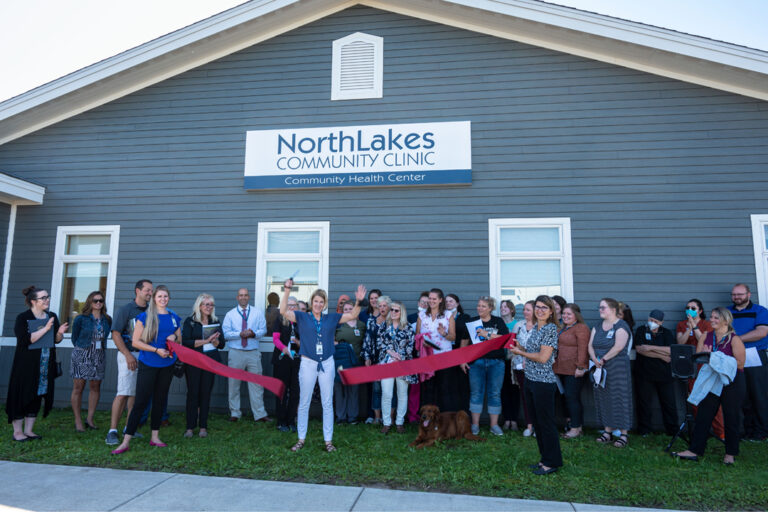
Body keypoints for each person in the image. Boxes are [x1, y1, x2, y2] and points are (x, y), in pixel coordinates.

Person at [279, 278, 366, 452]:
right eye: (316, 301)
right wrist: (287, 289)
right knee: (304, 402)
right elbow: (283, 311)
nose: (318, 304)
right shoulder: (302, 317)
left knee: (327, 403)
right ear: (312, 302)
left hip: (327, 362)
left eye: (321, 302)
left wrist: (358, 301)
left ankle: (328, 441)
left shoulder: (331, 318)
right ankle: (301, 439)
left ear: (325, 304)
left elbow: (353, 315)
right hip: (308, 362)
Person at [111, 285, 181, 454]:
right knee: (140, 402)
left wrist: (174, 337)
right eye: (160, 296)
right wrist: (156, 350)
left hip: (167, 365)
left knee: (159, 400)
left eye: (165, 296)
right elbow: (136, 342)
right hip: (149, 363)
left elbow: (180, 341)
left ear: (169, 298)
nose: (163, 299)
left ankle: (155, 437)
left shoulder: (174, 318)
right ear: (154, 299)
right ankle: (126, 440)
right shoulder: (145, 317)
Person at [672, 307, 746, 464]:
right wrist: (709, 357)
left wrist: (716, 357)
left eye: (715, 318)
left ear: (725, 321)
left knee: (731, 416)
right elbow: (699, 357)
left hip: (731, 381)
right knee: (704, 415)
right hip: (713, 380)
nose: (711, 320)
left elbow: (740, 363)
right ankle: (694, 450)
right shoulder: (706, 335)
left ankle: (730, 453)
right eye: (711, 317)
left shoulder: (734, 339)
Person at [508, 296, 562, 475]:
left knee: (546, 423)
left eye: (544, 307)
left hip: (543, 383)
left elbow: (542, 357)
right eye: (537, 307)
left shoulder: (550, 329)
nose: (540, 310)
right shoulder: (537, 328)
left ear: (551, 311)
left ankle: (552, 462)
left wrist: (520, 353)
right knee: (538, 423)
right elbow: (532, 351)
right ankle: (544, 459)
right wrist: (520, 348)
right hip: (530, 380)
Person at [7, 286, 68, 441]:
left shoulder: (51, 316)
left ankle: (29, 430)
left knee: (37, 395)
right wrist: (47, 328)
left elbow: (56, 340)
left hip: (45, 364)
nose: (47, 300)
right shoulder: (23, 317)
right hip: (26, 365)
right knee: (22, 395)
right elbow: (25, 340)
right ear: (33, 301)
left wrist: (59, 332)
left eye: (47, 297)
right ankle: (17, 432)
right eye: (43, 298)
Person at [106, 279, 153, 445]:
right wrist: (127, 355)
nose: (150, 293)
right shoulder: (126, 310)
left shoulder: (151, 310)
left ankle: (129, 428)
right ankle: (112, 431)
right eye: (147, 290)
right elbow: (116, 334)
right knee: (124, 392)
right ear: (137, 291)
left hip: (147, 356)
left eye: (151, 291)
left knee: (135, 394)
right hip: (129, 355)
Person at [459, 296, 508, 436]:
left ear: (491, 308)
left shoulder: (498, 321)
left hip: (496, 362)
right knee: (476, 393)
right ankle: (475, 425)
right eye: (478, 305)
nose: (479, 308)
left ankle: (494, 425)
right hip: (476, 362)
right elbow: (464, 341)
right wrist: (462, 360)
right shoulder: (472, 322)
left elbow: (505, 339)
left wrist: (488, 334)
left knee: (494, 393)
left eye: (483, 306)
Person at [589, 298, 633, 448]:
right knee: (604, 397)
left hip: (617, 368)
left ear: (613, 310)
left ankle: (623, 434)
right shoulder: (598, 326)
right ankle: (607, 431)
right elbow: (590, 345)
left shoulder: (621, 326)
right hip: (600, 368)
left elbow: (619, 347)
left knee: (620, 398)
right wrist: (595, 358)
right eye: (599, 307)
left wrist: (604, 359)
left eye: (603, 308)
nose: (600, 310)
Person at [675, 299, 721, 438]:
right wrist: (688, 327)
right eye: (688, 307)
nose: (690, 309)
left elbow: (704, 340)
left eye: (693, 308)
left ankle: (720, 432)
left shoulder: (707, 324)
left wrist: (695, 326)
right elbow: (680, 342)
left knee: (711, 398)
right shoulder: (681, 324)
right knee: (695, 398)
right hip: (689, 365)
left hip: (705, 363)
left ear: (700, 311)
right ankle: (703, 430)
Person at [222, 288, 269, 423]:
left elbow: (263, 330)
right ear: (237, 298)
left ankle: (259, 414)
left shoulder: (257, 313)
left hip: (253, 353)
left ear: (249, 297)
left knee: (256, 384)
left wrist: (253, 334)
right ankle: (235, 413)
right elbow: (225, 334)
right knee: (233, 384)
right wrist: (239, 334)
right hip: (235, 352)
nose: (243, 297)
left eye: (245, 295)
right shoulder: (230, 314)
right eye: (241, 295)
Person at [728, 283, 768, 440]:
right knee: (742, 395)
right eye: (734, 295)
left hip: (754, 355)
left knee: (758, 394)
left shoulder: (760, 311)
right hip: (733, 356)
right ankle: (748, 430)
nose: (737, 297)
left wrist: (736, 340)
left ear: (748, 294)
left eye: (740, 294)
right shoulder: (727, 312)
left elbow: (762, 332)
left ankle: (762, 431)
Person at [181, 294, 224, 438]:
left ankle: (203, 426)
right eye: (206, 304)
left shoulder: (216, 321)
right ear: (199, 306)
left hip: (210, 362)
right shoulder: (190, 321)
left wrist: (216, 342)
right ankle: (190, 427)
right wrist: (206, 341)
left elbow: (222, 344)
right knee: (193, 393)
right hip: (194, 362)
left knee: (206, 393)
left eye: (211, 304)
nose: (209, 307)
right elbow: (186, 342)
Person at [371, 301, 416, 434]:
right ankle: (386, 423)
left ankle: (400, 422)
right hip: (386, 363)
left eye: (397, 310)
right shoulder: (384, 326)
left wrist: (399, 357)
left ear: (402, 312)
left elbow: (410, 346)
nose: (394, 312)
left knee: (402, 394)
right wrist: (390, 352)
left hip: (403, 364)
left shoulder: (407, 327)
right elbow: (379, 343)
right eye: (392, 310)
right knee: (387, 394)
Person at [633, 309, 678, 436]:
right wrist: (661, 355)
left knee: (669, 403)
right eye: (650, 320)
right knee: (644, 403)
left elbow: (670, 350)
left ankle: (673, 430)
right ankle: (644, 430)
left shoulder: (667, 333)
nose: (652, 323)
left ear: (661, 322)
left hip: (664, 375)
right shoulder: (642, 330)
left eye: (655, 321)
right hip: (644, 373)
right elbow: (640, 349)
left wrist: (651, 347)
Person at [70, 291, 110, 432]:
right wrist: (84, 349)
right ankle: (78, 420)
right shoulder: (81, 318)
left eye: (101, 300)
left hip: (99, 355)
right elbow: (74, 338)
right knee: (78, 387)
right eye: (95, 300)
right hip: (82, 354)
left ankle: (90, 419)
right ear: (89, 302)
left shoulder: (107, 319)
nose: (98, 303)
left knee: (95, 387)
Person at [552, 303, 590, 438]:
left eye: (569, 314)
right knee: (566, 398)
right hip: (560, 369)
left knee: (572, 398)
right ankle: (577, 426)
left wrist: (581, 367)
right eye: (564, 313)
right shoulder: (562, 328)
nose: (565, 316)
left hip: (574, 370)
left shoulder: (581, 328)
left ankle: (575, 428)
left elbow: (583, 348)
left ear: (576, 316)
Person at [417, 288, 456, 410]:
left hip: (444, 357)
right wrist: (423, 342)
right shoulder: (422, 315)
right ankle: (428, 421)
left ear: (440, 300)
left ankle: (444, 420)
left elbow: (453, 337)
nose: (431, 301)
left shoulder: (448, 315)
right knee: (428, 389)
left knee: (444, 388)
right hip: (427, 357)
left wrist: (444, 333)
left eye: (434, 299)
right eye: (430, 298)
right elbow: (417, 336)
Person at [272, 295, 302, 432]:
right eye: (288, 305)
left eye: (293, 305)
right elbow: (275, 339)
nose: (291, 307)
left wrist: (298, 343)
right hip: (282, 359)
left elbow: (306, 341)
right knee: (282, 391)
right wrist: (284, 349)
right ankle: (281, 421)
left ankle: (291, 421)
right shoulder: (279, 319)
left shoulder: (300, 321)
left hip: (297, 360)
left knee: (295, 391)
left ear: (297, 307)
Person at [334, 300, 365, 425]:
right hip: (340, 360)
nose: (347, 311)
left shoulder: (361, 325)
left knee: (353, 390)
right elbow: (330, 339)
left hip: (356, 361)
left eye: (350, 309)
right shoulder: (338, 324)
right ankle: (341, 417)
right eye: (345, 309)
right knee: (340, 389)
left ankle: (352, 416)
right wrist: (341, 345)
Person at [362, 295, 391, 424]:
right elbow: (367, 340)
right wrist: (367, 357)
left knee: (390, 390)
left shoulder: (392, 321)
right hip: (375, 360)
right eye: (380, 306)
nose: (382, 308)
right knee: (376, 389)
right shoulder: (372, 321)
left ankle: (390, 417)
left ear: (389, 307)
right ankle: (377, 417)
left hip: (390, 360)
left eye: (385, 306)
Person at [511, 301, 535, 437]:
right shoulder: (519, 326)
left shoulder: (541, 327)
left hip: (536, 366)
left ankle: (538, 426)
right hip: (519, 366)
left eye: (528, 310)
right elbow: (512, 343)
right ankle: (529, 425)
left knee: (536, 397)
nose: (525, 312)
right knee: (526, 396)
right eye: (524, 310)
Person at [406, 291, 429, 422]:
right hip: (413, 357)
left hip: (428, 358)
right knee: (414, 388)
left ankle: (426, 416)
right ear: (418, 303)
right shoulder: (410, 318)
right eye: (422, 302)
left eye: (427, 303)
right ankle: (413, 416)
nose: (424, 305)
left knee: (426, 388)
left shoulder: (433, 318)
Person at [447, 293, 471, 413]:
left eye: (451, 301)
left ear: (457, 303)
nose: (448, 303)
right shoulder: (442, 317)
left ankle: (463, 415)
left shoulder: (465, 317)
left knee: (462, 386)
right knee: (449, 386)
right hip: (446, 354)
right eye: (446, 302)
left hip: (461, 353)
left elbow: (468, 337)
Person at [499, 300, 518, 430]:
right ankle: (506, 420)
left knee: (514, 390)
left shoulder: (517, 324)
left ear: (512, 310)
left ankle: (515, 420)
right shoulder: (498, 323)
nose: (503, 309)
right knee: (503, 390)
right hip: (501, 361)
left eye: (506, 307)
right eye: (501, 307)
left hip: (514, 362)